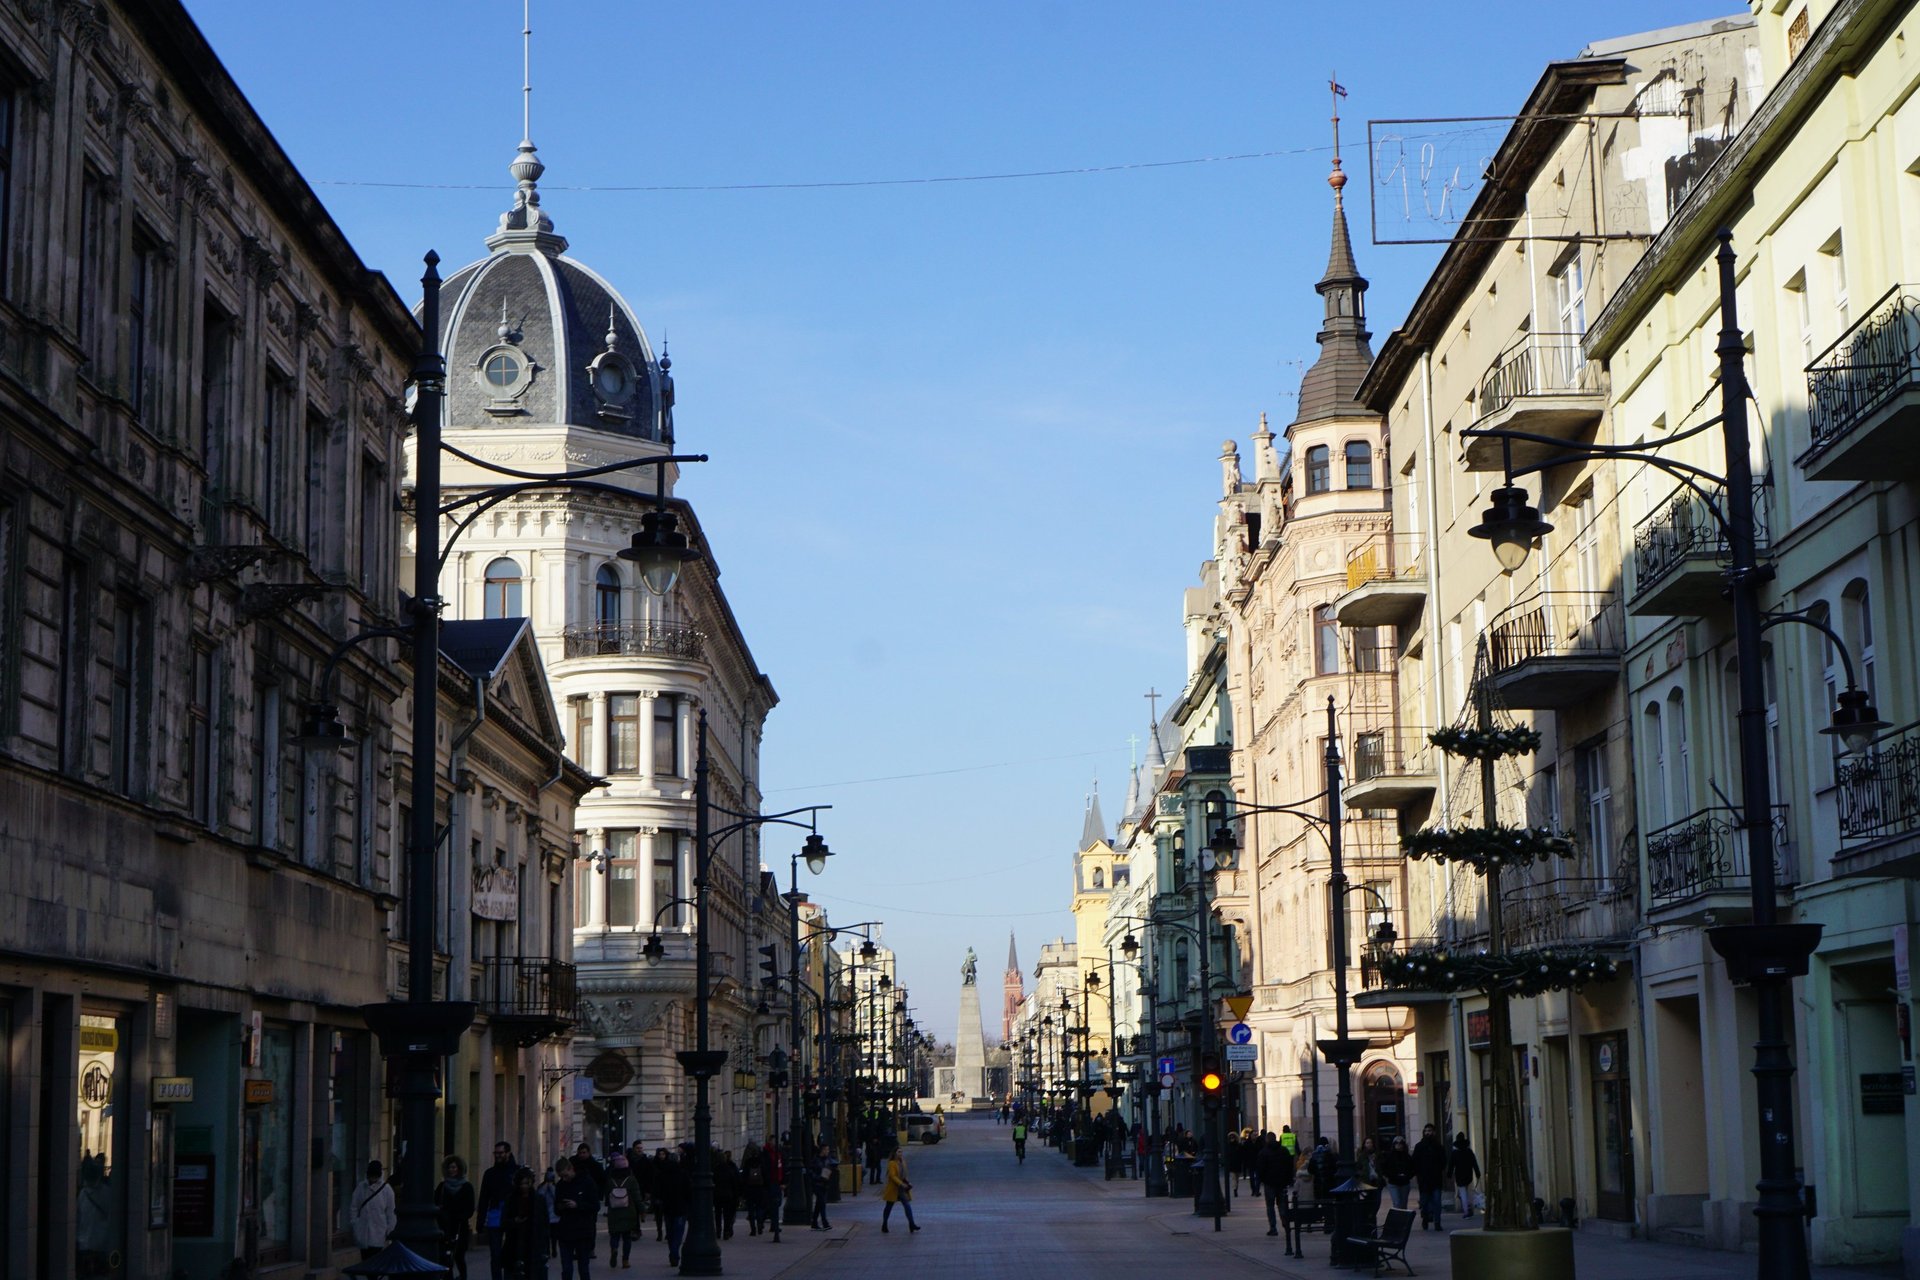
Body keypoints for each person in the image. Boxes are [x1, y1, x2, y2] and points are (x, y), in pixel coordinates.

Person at [480, 1142, 525, 1280]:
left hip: (512, 1216)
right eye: (496, 1153)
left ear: (508, 1153)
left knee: (511, 1252)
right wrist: (480, 1221)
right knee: (495, 1254)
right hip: (495, 1215)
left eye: (501, 1153)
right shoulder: (490, 1173)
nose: (498, 1156)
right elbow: (484, 1197)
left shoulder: (517, 1172)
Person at [552, 1157, 601, 1280]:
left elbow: (595, 1206)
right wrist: (561, 1207)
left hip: (582, 1232)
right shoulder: (561, 1185)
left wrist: (577, 1205)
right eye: (561, 1176)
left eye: (565, 1175)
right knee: (566, 1269)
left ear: (571, 1169)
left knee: (583, 1269)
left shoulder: (587, 1182)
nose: (564, 1179)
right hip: (565, 1232)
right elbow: (556, 1209)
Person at [501, 1167, 550, 1280]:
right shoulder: (511, 1199)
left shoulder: (538, 1200)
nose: (524, 1186)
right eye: (521, 1183)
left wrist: (545, 1249)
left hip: (533, 1246)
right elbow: (503, 1222)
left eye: (527, 1183)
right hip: (514, 1245)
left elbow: (545, 1224)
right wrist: (515, 1221)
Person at [437, 1155, 477, 1280]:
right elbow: (435, 1203)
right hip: (445, 1226)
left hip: (460, 1226)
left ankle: (463, 1276)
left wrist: (461, 1216)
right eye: (449, 1167)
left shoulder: (466, 1187)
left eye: (454, 1167)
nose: (451, 1170)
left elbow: (470, 1208)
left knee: (459, 1255)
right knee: (446, 1256)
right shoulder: (442, 1186)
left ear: (459, 1168)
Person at [350, 1160, 395, 1261]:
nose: (373, 1179)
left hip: (379, 1234)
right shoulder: (361, 1187)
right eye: (371, 1176)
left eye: (375, 1176)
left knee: (375, 1262)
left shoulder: (387, 1190)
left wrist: (389, 1231)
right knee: (366, 1260)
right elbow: (354, 1207)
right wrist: (355, 1223)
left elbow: (391, 1213)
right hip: (363, 1233)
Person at [604, 1152, 642, 1269]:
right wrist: (642, 1209)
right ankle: (625, 1260)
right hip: (628, 1211)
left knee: (614, 1235)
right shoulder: (631, 1180)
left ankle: (614, 1249)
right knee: (626, 1238)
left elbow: (606, 1194)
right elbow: (636, 1197)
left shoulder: (610, 1180)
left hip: (614, 1212)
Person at [1411, 1123, 1449, 1230]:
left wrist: (1438, 1170)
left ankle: (1437, 1222)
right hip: (1423, 1180)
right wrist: (1418, 1173)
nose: (1428, 1132)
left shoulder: (1438, 1147)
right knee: (1424, 1202)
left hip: (1436, 1179)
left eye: (1430, 1131)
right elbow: (1414, 1161)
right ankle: (1425, 1218)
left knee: (1437, 1202)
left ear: (1434, 1132)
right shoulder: (1419, 1146)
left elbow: (1443, 1161)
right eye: (1426, 1131)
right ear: (1424, 1132)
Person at [1255, 1133, 1292, 1237]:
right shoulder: (1284, 1150)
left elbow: (1260, 1169)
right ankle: (1285, 1224)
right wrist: (1288, 1179)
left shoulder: (1264, 1152)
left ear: (1267, 1140)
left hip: (1269, 1183)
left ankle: (1273, 1228)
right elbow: (1289, 1166)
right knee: (1282, 1205)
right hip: (1282, 1182)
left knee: (1270, 1206)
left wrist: (1262, 1180)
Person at [880, 1143, 919, 1233]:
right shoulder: (892, 1163)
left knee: (907, 1205)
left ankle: (911, 1224)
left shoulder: (902, 1162)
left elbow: (903, 1175)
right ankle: (884, 1224)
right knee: (888, 1207)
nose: (900, 1154)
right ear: (895, 1153)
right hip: (893, 1188)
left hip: (901, 1189)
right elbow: (893, 1176)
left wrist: (907, 1183)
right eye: (899, 1152)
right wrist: (901, 1184)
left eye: (901, 1152)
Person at [712, 1148, 741, 1240]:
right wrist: (736, 1195)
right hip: (728, 1195)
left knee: (718, 1214)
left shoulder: (715, 1170)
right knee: (727, 1214)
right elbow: (735, 1183)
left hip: (717, 1195)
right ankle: (726, 1232)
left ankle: (718, 1231)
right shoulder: (730, 1169)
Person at [1451, 1132, 1481, 1217]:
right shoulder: (1469, 1152)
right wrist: (1478, 1173)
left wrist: (1449, 1174)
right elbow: (1474, 1163)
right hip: (1468, 1174)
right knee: (1467, 1192)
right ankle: (1468, 1207)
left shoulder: (1455, 1153)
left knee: (1463, 1193)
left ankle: (1466, 1211)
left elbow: (1451, 1165)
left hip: (1459, 1175)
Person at [1379, 1136, 1414, 1210]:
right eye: (1396, 1143)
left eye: (1400, 1143)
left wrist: (1407, 1176)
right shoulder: (1389, 1156)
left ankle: (1403, 1220)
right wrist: (1390, 1176)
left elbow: (1412, 1168)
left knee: (1403, 1204)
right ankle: (1398, 1220)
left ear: (1403, 1145)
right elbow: (1384, 1168)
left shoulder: (1407, 1157)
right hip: (1393, 1183)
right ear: (1393, 1145)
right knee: (1397, 1203)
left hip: (1405, 1183)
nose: (1398, 1145)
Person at [808, 1148, 835, 1230]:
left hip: (824, 1184)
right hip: (817, 1184)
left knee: (819, 1204)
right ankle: (825, 1223)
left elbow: (829, 1169)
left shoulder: (827, 1160)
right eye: (826, 1150)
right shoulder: (815, 1160)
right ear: (822, 1151)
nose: (828, 1151)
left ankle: (814, 1223)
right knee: (822, 1203)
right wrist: (818, 1177)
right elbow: (811, 1171)